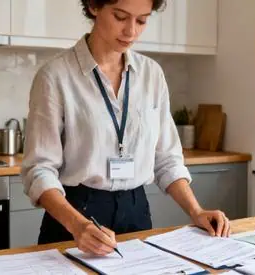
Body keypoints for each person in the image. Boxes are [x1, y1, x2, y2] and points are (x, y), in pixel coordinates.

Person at [22, 0, 230, 256]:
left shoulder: (152, 75)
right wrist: (78, 226)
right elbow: (39, 169)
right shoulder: (55, 76)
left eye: (142, 20)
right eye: (120, 17)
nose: (131, 31)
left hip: (136, 213)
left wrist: (196, 211)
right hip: (74, 216)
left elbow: (167, 159)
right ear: (94, 6)